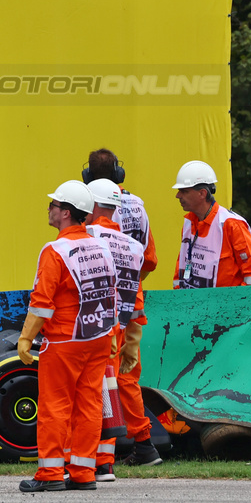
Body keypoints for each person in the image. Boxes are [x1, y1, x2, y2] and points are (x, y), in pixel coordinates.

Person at [17, 181, 115, 493]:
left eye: (54, 205)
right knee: (89, 405)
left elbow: (42, 304)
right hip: (97, 336)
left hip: (64, 340)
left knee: (55, 407)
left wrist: (24, 339)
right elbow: (111, 293)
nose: (49, 209)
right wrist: (111, 333)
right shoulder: (102, 247)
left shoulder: (55, 250)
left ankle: (50, 474)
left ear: (66, 213)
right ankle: (84, 473)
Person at [83, 149, 161, 467]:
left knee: (102, 377)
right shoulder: (137, 206)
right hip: (133, 302)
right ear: (119, 175)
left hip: (100, 304)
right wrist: (129, 282)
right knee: (124, 376)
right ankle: (141, 446)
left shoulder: (86, 214)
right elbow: (149, 259)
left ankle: (104, 455)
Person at [172, 160, 251, 289]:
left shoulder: (231, 224)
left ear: (202, 193)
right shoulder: (189, 222)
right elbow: (182, 264)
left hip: (227, 307)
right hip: (193, 306)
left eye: (184, 191)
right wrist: (178, 297)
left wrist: (240, 305)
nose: (178, 195)